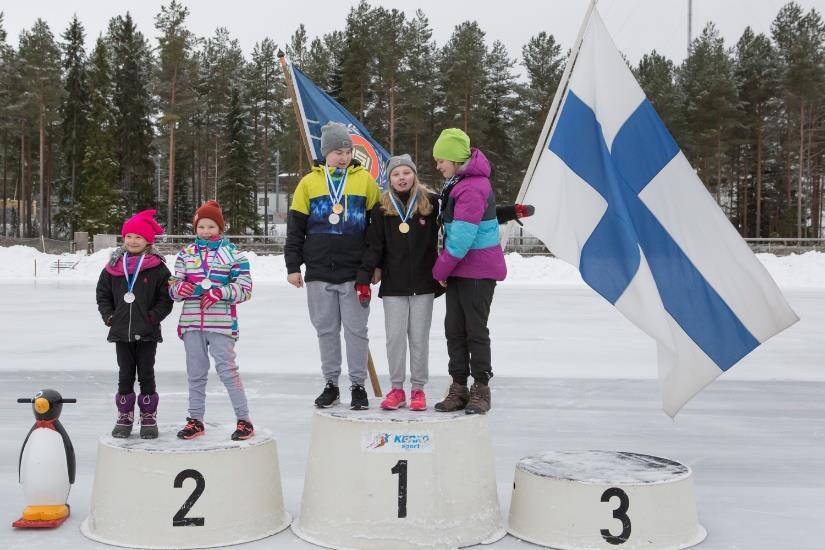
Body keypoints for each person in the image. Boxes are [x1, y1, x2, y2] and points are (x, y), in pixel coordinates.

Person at [285, 122, 381, 410]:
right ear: (326, 152)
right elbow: (295, 229)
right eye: (338, 151)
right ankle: (331, 384)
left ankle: (358, 386)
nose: (343, 156)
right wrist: (293, 265)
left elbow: (376, 231)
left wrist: (374, 265)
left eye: (348, 151)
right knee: (326, 330)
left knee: (356, 331)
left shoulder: (365, 181)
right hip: (318, 271)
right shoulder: (308, 183)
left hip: (354, 272)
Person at [431, 128, 507, 415]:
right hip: (462, 270)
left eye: (441, 160)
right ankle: (459, 385)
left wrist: (440, 267)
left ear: (453, 158)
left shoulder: (472, 187)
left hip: (477, 269)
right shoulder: (460, 182)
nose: (438, 165)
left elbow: (462, 238)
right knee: (454, 329)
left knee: (474, 330)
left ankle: (481, 387)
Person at [359, 154, 442, 411]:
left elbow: (466, 214)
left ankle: (418, 389)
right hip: (394, 285)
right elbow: (374, 246)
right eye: (396, 174)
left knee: (419, 338)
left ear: (414, 175)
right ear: (389, 179)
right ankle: (396, 389)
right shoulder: (382, 208)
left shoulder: (432, 202)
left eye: (406, 173)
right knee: (394, 338)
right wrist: (364, 277)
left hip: (424, 283)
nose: (402, 178)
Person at [168, 200, 255, 440]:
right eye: (201, 226)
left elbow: (245, 288)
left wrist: (220, 292)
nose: (206, 231)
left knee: (227, 370)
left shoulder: (234, 255)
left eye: (211, 226)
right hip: (192, 323)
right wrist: (180, 289)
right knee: (195, 373)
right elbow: (174, 286)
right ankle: (195, 420)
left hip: (221, 323)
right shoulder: (185, 254)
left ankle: (244, 420)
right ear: (195, 228)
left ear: (220, 228)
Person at [96, 209, 173, 439]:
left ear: (148, 240)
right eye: (129, 236)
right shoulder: (113, 267)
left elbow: (165, 298)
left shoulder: (158, 267)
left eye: (138, 237)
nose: (133, 241)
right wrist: (109, 316)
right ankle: (124, 416)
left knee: (147, 374)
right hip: (121, 332)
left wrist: (152, 317)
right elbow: (103, 294)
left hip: (147, 332)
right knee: (125, 375)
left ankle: (148, 417)